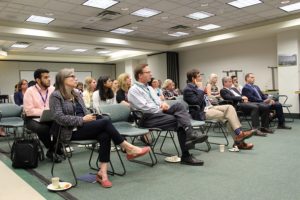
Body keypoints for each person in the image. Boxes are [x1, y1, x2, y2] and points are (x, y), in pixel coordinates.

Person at [49, 68, 150, 188]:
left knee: (105, 135)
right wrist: (82, 120)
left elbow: (85, 111)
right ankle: (128, 148)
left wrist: (90, 117)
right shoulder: (55, 96)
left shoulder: (76, 93)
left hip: (84, 127)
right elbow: (59, 117)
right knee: (105, 122)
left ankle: (103, 174)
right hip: (70, 131)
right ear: (62, 79)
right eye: (72, 76)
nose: (75, 78)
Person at [128, 64, 208, 166]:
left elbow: (158, 101)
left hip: (158, 112)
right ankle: (187, 151)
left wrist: (163, 104)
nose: (151, 74)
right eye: (148, 72)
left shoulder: (149, 88)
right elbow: (144, 107)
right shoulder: (134, 90)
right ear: (140, 75)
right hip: (147, 118)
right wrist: (160, 108)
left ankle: (190, 135)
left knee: (179, 106)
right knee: (180, 120)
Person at [183, 69, 255, 150]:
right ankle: (239, 139)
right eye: (199, 76)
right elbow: (197, 102)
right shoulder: (187, 89)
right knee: (228, 116)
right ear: (193, 78)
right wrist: (200, 89)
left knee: (230, 107)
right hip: (200, 112)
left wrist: (201, 91)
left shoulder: (196, 87)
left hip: (209, 107)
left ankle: (239, 136)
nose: (201, 78)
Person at [23, 69, 60, 162]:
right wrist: (44, 112)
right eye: (46, 77)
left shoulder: (52, 89)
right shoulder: (29, 91)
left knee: (60, 124)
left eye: (49, 77)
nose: (49, 79)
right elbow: (29, 111)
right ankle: (53, 149)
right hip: (32, 119)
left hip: (50, 117)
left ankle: (53, 150)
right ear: (38, 80)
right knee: (43, 129)